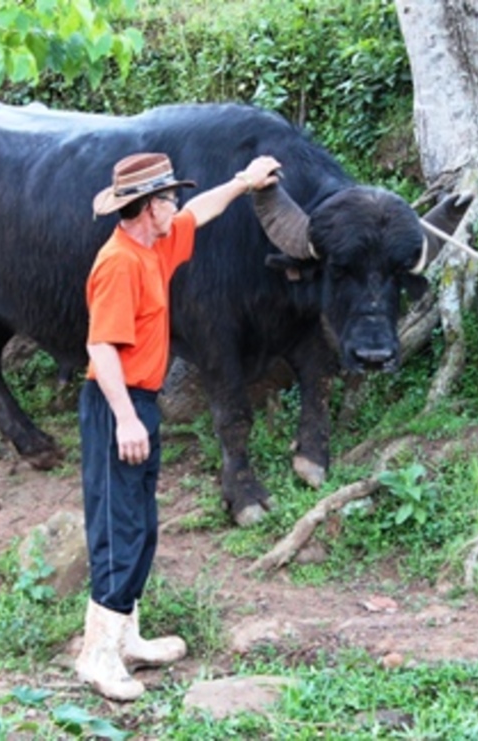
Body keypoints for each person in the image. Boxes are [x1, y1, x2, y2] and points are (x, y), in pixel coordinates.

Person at [76, 151, 282, 701]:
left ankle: (126, 636)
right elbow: (101, 344)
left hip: (139, 402)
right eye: (168, 198)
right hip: (114, 403)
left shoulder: (156, 244)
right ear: (146, 207)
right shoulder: (118, 262)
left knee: (140, 521)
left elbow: (202, 214)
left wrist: (243, 182)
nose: (177, 205)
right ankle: (97, 655)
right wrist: (125, 420)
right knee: (118, 526)